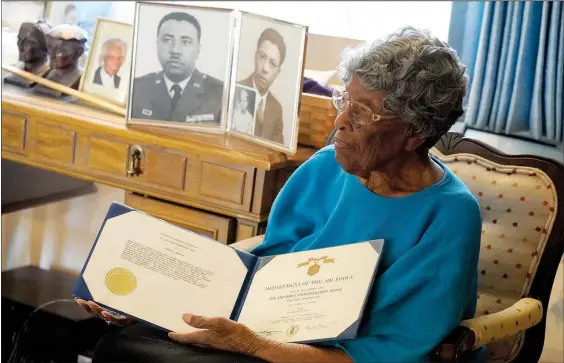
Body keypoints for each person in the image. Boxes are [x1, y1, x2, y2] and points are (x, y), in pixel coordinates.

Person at [77, 26, 484, 363]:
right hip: (263, 330)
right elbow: (265, 271)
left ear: (415, 131)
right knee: (100, 334)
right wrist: (149, 301)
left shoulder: (450, 215)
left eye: (362, 113)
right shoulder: (325, 167)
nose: (339, 122)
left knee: (130, 353)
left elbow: (392, 350)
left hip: (330, 357)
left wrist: (254, 345)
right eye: (343, 101)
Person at [130, 12, 224, 124]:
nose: (175, 50)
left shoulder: (219, 95)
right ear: (157, 44)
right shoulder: (137, 89)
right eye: (167, 40)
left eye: (185, 42)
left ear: (198, 49)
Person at [239, 28, 285, 145]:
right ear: (255, 56)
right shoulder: (236, 91)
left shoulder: (276, 108)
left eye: (272, 63)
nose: (265, 68)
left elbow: (277, 151)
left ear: (278, 71)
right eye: (262, 57)